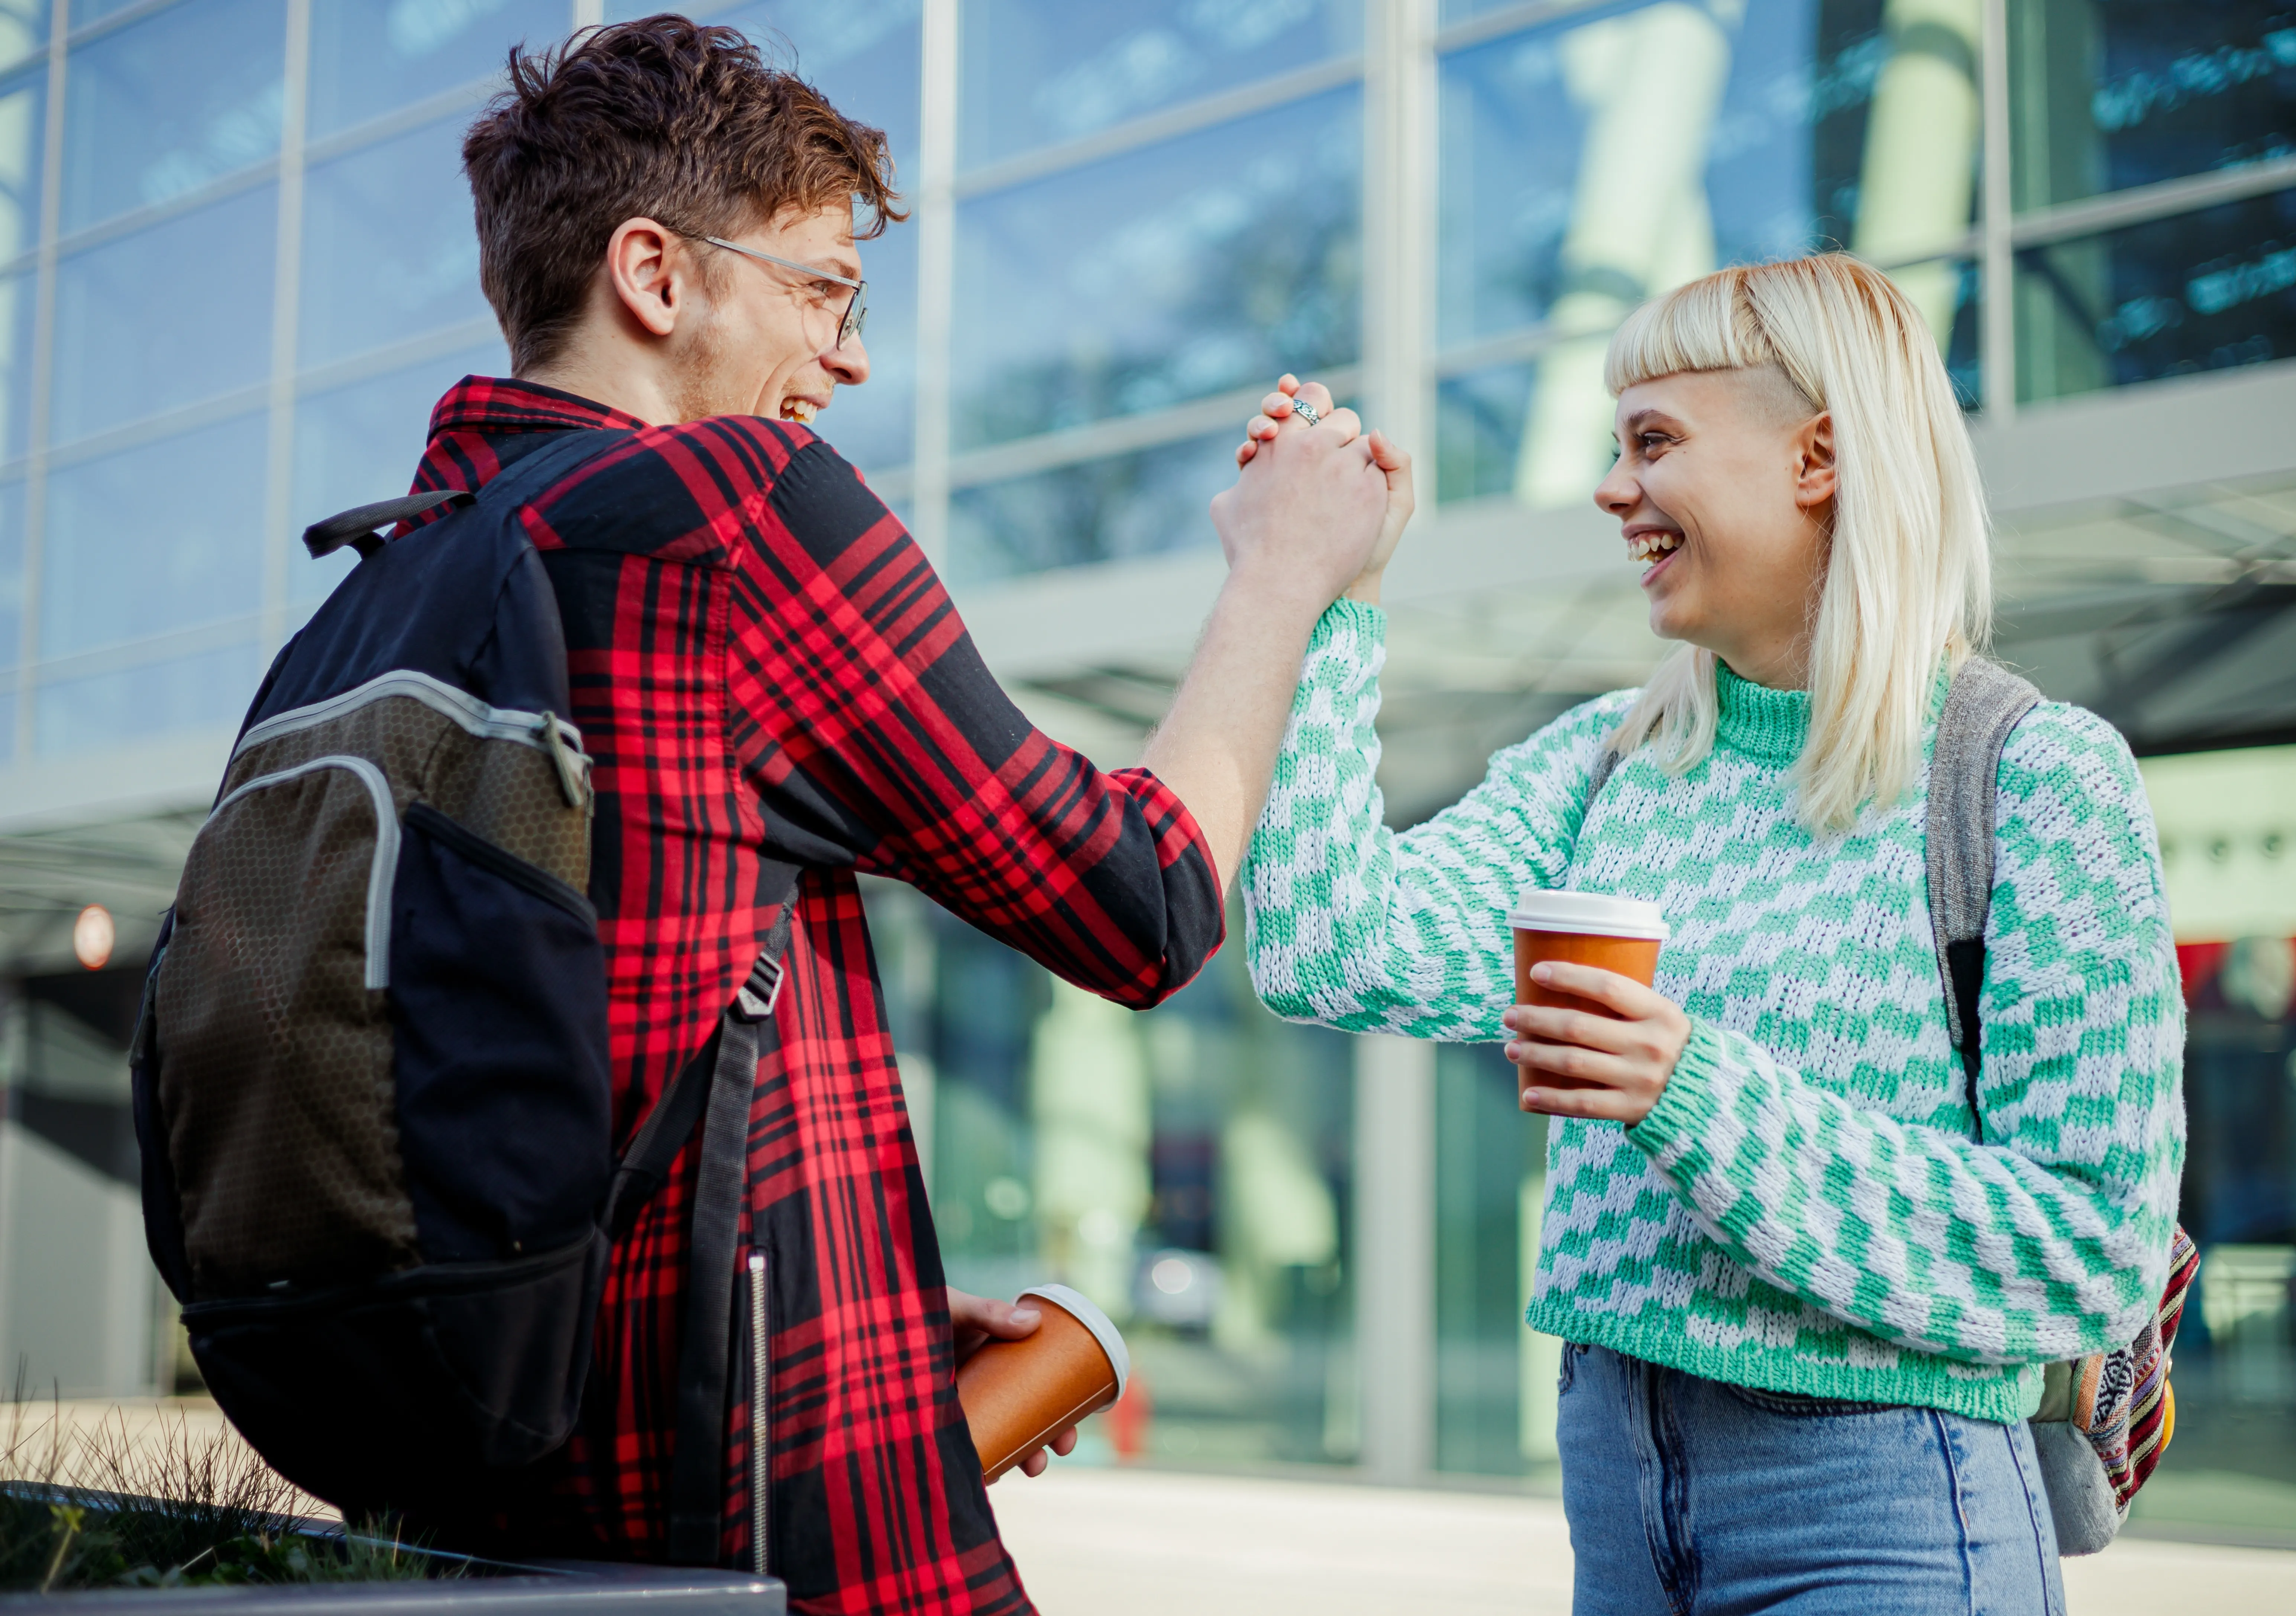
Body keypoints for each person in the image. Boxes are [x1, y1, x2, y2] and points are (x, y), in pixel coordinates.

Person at [413, 15, 1404, 1609]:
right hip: (775, 1532)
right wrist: (1285, 570)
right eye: (823, 293)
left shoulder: (403, 568)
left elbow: (535, 1061)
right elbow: (1140, 899)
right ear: (657, 278)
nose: (851, 357)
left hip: (488, 1500)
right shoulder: (729, 510)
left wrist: (846, 1276)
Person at [1238, 254, 2184, 1613]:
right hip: (1617, 1477)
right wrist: (1334, 596)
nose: (1614, 489)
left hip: (1886, 1503)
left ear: (1817, 458)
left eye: (1655, 441)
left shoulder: (2033, 778)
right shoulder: (1604, 764)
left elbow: (2090, 1253)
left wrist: (1689, 1090)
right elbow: (1328, 946)